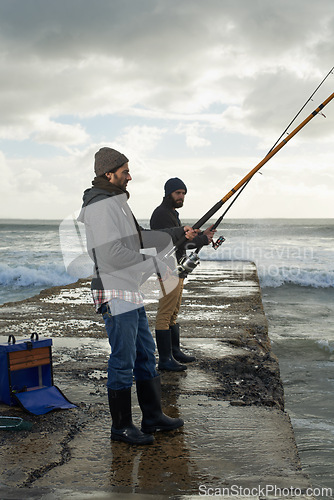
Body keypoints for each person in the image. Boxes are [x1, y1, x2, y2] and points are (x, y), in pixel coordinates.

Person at [78, 148, 197, 445]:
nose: (130, 176)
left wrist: (177, 233)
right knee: (123, 359)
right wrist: (154, 264)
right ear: (109, 173)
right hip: (114, 289)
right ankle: (121, 428)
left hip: (128, 287)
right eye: (125, 171)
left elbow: (139, 238)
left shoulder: (115, 202)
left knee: (145, 354)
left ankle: (152, 416)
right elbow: (111, 253)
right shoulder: (101, 206)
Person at [150, 177, 216, 372]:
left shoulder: (171, 213)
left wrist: (201, 236)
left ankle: (174, 351)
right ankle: (164, 359)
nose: (181, 197)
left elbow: (181, 241)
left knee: (173, 312)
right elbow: (170, 244)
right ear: (168, 193)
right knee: (164, 314)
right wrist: (203, 239)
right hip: (167, 269)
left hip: (178, 268)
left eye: (184, 194)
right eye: (178, 193)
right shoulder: (162, 214)